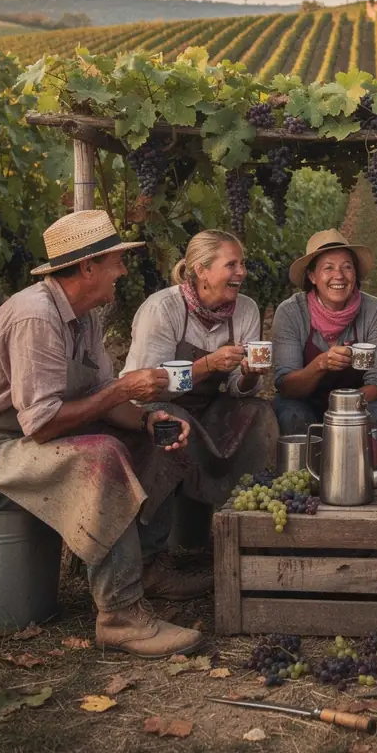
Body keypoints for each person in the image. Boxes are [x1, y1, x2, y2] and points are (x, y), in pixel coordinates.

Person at [0, 210, 206, 659]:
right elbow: (42, 425)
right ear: (88, 266)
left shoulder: (86, 317)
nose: (123, 270)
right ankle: (121, 615)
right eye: (116, 260)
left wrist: (145, 418)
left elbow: (100, 396)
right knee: (101, 457)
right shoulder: (35, 318)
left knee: (152, 433)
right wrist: (121, 389)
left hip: (21, 445)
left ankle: (148, 567)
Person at [121, 229, 279, 540]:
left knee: (259, 414)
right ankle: (154, 545)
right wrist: (208, 364)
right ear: (201, 271)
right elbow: (147, 387)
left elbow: (236, 388)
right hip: (152, 410)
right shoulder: (162, 309)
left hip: (206, 407)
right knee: (170, 422)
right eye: (231, 265)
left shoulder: (245, 309)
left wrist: (249, 373)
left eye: (243, 264)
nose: (242, 273)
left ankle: (247, 525)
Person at [271, 230, 377, 441]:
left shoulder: (375, 311)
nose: (339, 275)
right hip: (304, 401)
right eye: (328, 268)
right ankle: (302, 473)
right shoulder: (291, 312)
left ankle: (374, 473)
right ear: (312, 276)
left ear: (355, 274)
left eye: (347, 267)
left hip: (359, 402)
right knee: (292, 414)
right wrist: (321, 364)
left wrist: (340, 410)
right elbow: (287, 386)